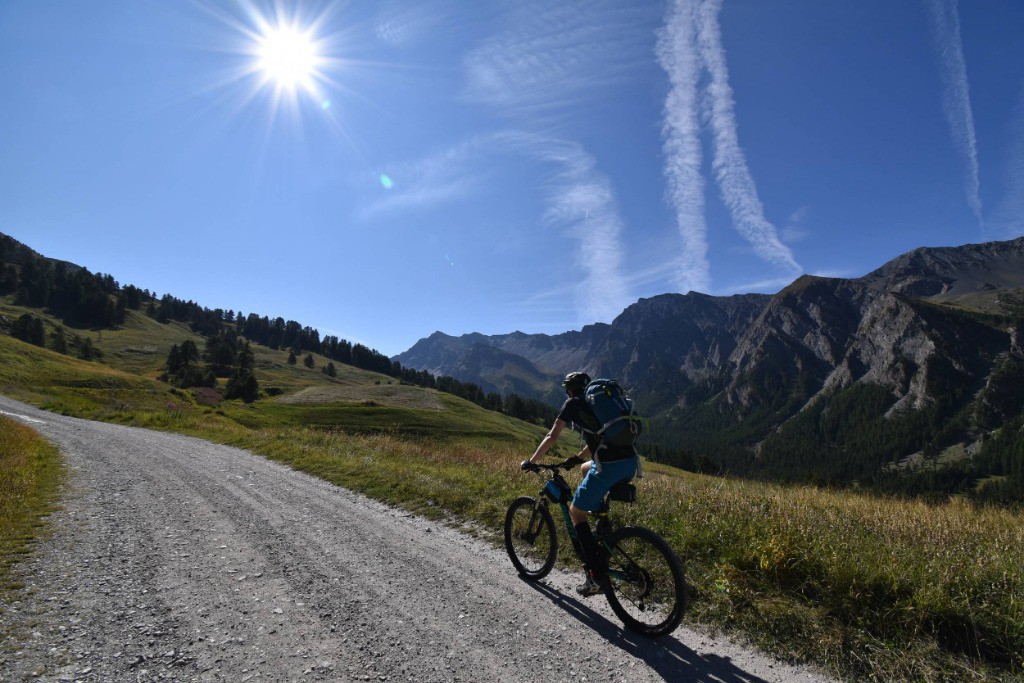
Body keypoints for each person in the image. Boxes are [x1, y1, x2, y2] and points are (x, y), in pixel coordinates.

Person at [521, 371, 638, 596]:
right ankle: (601, 520)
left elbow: (552, 436)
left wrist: (532, 461)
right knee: (586, 468)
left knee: (576, 511)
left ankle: (596, 577)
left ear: (569, 389)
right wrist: (577, 458)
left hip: (609, 465)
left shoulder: (573, 403)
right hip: (630, 462)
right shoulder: (599, 404)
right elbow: (600, 436)